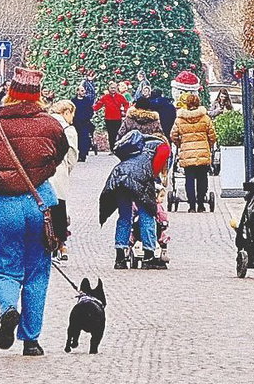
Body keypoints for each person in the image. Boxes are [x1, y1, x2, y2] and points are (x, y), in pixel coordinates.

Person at [0, 67, 68, 356]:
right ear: (37, 95)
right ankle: (31, 341)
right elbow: (60, 154)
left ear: (10, 94)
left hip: (5, 203)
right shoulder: (51, 125)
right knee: (38, 272)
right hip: (41, 200)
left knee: (5, 268)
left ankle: (8, 308)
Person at [105, 103, 171, 268]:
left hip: (120, 175)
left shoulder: (132, 133)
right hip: (141, 178)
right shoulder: (161, 144)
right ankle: (149, 256)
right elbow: (156, 169)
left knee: (124, 216)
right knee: (147, 214)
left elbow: (118, 144)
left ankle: (120, 257)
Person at [172, 89, 219, 212]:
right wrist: (208, 145)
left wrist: (181, 144)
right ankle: (201, 204)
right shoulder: (205, 118)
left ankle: (192, 206)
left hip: (187, 153)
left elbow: (173, 135)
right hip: (203, 152)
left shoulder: (180, 119)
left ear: (187, 104)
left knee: (189, 179)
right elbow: (212, 135)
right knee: (202, 178)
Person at [94, 83, 128, 152]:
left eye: (114, 88)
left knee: (117, 133)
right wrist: (92, 109)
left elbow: (126, 104)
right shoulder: (105, 97)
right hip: (108, 118)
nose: (113, 89)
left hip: (117, 118)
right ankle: (112, 149)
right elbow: (99, 105)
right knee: (110, 134)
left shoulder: (120, 96)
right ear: (109, 88)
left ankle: (117, 148)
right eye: (111, 88)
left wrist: (124, 111)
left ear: (116, 88)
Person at [72, 79, 98, 159]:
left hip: (85, 122)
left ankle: (83, 155)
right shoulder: (73, 101)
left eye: (84, 91)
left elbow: (90, 110)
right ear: (77, 92)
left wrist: (88, 117)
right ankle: (77, 154)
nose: (84, 92)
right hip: (76, 122)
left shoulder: (87, 100)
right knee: (77, 138)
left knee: (84, 138)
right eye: (82, 91)